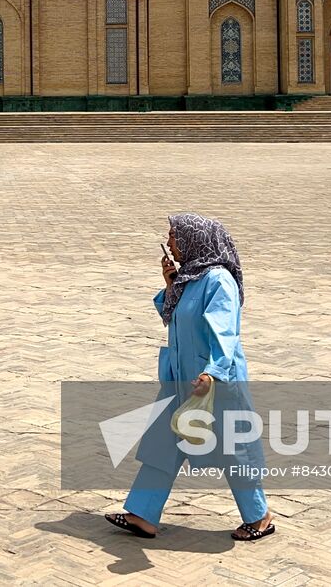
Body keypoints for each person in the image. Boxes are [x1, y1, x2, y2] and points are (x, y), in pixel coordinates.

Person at [105, 213, 275, 543]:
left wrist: (212, 373)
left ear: (195, 240)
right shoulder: (189, 278)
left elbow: (225, 333)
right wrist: (170, 284)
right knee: (162, 445)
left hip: (214, 383)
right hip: (181, 378)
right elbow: (174, 320)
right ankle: (143, 514)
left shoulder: (218, 281)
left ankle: (260, 516)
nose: (169, 244)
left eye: (174, 237)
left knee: (232, 449)